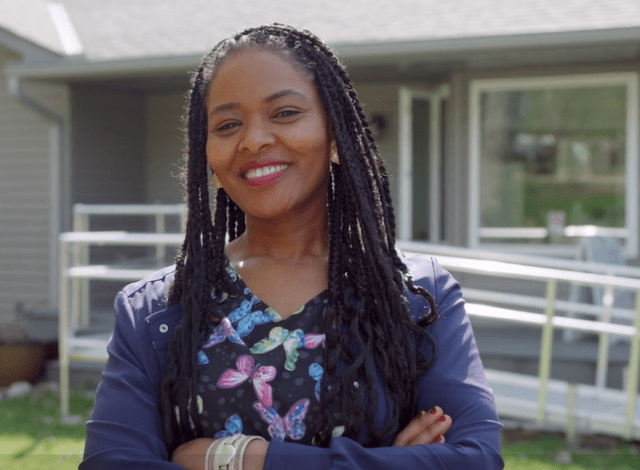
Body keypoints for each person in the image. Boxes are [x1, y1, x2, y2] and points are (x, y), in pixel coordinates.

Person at [81, 24, 503, 470]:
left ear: (336, 134)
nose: (253, 139)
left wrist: (245, 458)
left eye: (284, 113)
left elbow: (474, 460)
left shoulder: (417, 295)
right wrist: (381, 463)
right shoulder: (154, 311)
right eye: (227, 124)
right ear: (208, 154)